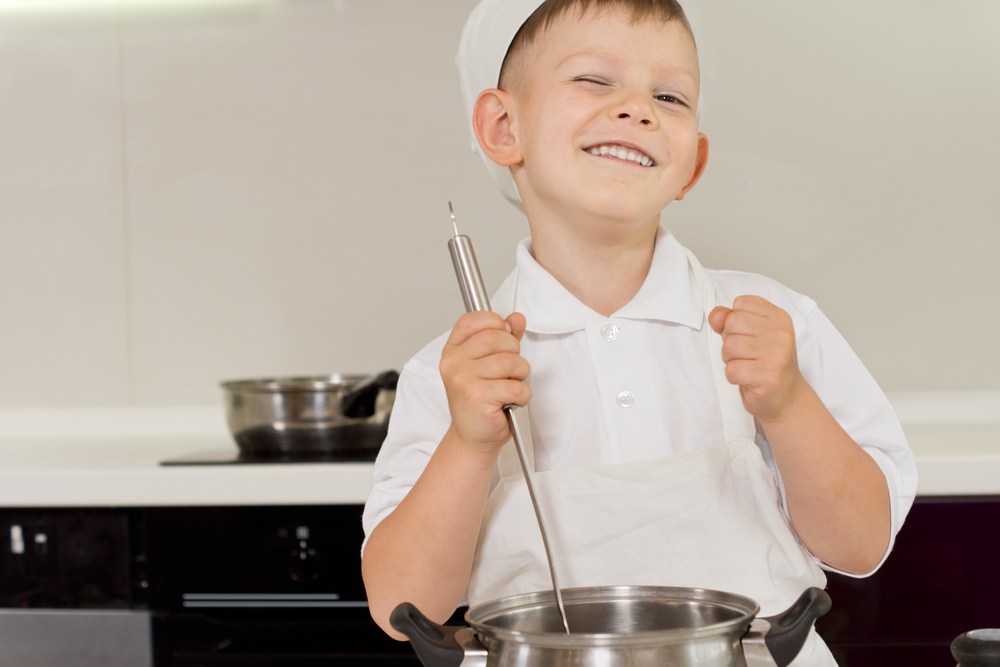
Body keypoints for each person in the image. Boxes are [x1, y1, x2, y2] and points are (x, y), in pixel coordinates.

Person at [360, 0, 918, 664]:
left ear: (693, 165)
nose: (638, 108)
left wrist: (791, 405)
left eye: (670, 95)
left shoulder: (776, 324)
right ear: (503, 126)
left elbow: (860, 545)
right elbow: (404, 607)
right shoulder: (453, 374)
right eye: (595, 80)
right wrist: (467, 442)